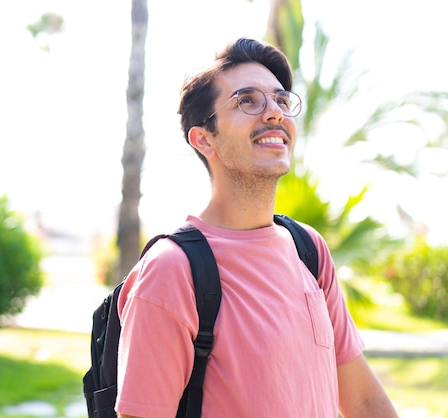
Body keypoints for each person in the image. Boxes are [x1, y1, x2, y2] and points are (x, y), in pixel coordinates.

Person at [115, 38, 398, 417]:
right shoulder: (171, 271)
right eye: (247, 101)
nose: (274, 113)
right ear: (204, 139)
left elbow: (363, 402)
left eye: (281, 100)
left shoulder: (308, 250)